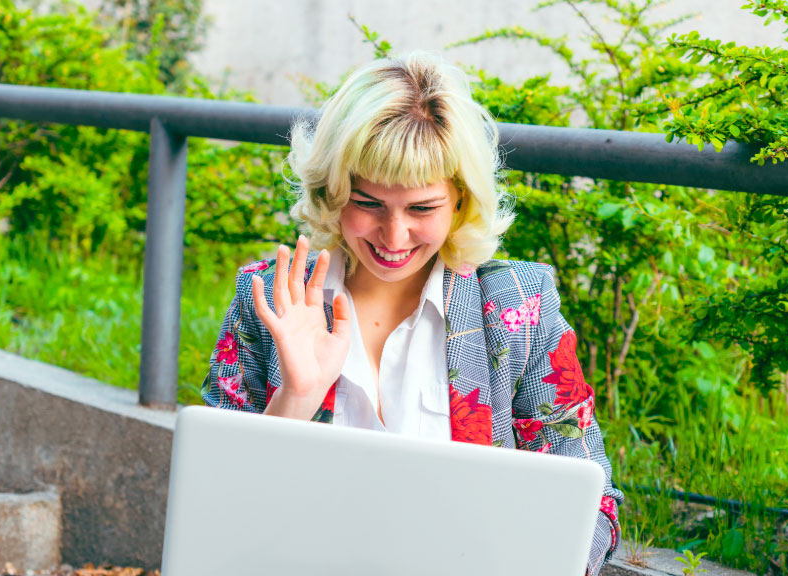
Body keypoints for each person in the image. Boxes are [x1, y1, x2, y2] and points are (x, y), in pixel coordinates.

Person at [202, 51, 623, 575]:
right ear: (332, 192)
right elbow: (213, 507)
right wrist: (295, 399)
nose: (394, 237)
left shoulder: (517, 306)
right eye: (369, 203)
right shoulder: (268, 300)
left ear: (461, 201)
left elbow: (593, 503)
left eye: (421, 208)